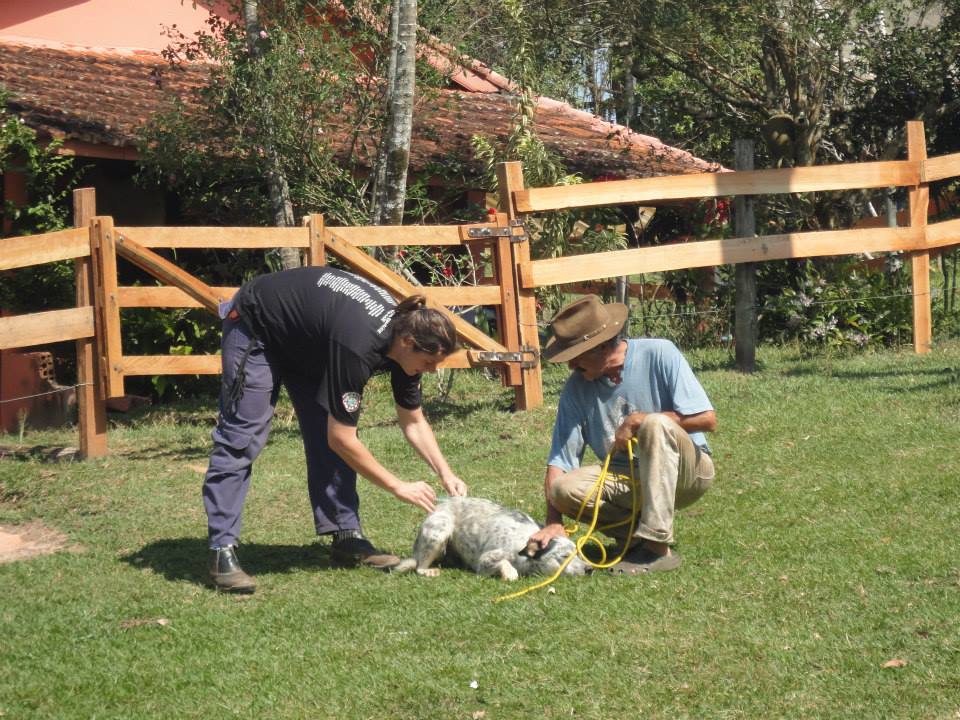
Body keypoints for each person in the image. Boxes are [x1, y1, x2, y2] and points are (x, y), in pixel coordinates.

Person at [203, 266, 468, 592]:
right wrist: (398, 486)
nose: (431, 370)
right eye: (429, 363)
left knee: (330, 425)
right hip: (259, 325)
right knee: (242, 436)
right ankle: (221, 550)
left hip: (312, 342)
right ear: (408, 341)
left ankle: (346, 537)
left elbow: (412, 418)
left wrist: (445, 472)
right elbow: (342, 439)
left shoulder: (404, 344)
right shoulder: (359, 345)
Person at [528, 295, 716, 573]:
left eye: (575, 358)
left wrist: (639, 420)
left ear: (601, 347)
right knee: (562, 489)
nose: (571, 367)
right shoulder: (576, 388)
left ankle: (656, 549)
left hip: (687, 474)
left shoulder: (660, 353)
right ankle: (633, 539)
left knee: (654, 424)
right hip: (625, 478)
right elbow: (560, 461)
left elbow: (707, 419)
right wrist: (553, 521)